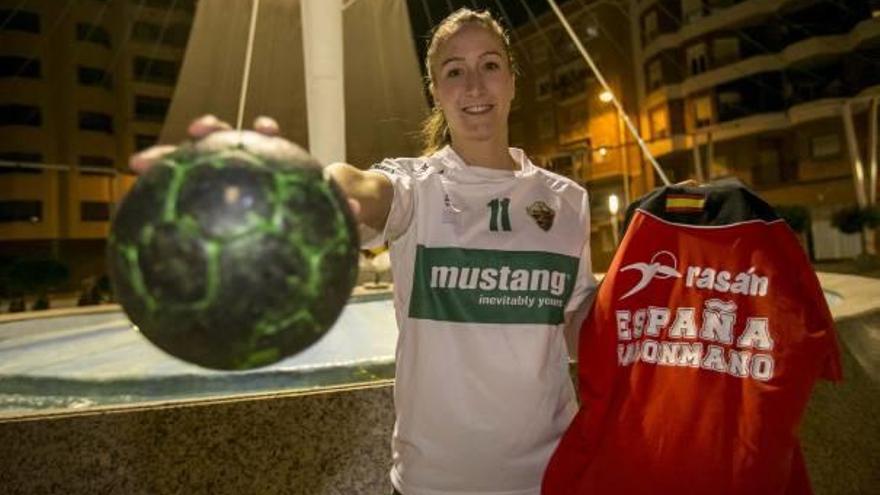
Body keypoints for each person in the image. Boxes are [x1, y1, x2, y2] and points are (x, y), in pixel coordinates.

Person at [131, 8, 596, 495]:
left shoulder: (566, 202)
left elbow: (579, 323)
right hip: (433, 485)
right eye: (454, 71)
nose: (475, 86)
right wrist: (309, 189)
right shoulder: (418, 188)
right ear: (435, 91)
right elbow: (358, 187)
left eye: (490, 65)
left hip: (554, 477)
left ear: (513, 80)